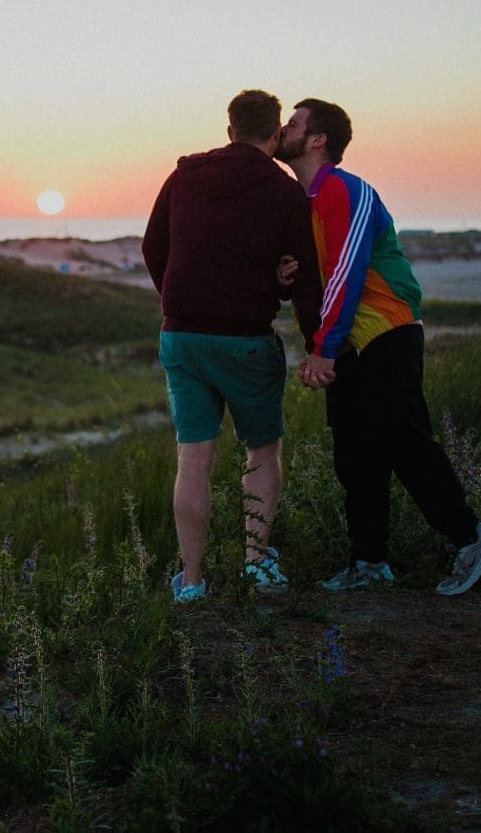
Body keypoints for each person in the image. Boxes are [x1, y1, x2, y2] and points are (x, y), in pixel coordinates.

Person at [276, 97, 481, 596]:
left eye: (292, 123)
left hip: (384, 331)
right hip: (347, 345)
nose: (282, 129)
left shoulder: (345, 188)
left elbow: (348, 270)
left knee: (404, 440)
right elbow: (319, 277)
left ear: (317, 139)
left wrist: (322, 348)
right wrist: (288, 278)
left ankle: (471, 540)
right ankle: (369, 561)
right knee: (355, 455)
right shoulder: (307, 204)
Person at [143, 90, 323, 602]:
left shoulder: (184, 177)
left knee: (193, 459)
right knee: (261, 452)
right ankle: (256, 565)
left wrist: (179, 301)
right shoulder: (283, 189)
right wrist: (315, 342)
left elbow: (153, 247)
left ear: (229, 131)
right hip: (245, 338)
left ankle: (191, 582)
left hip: (182, 336)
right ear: (276, 134)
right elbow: (306, 276)